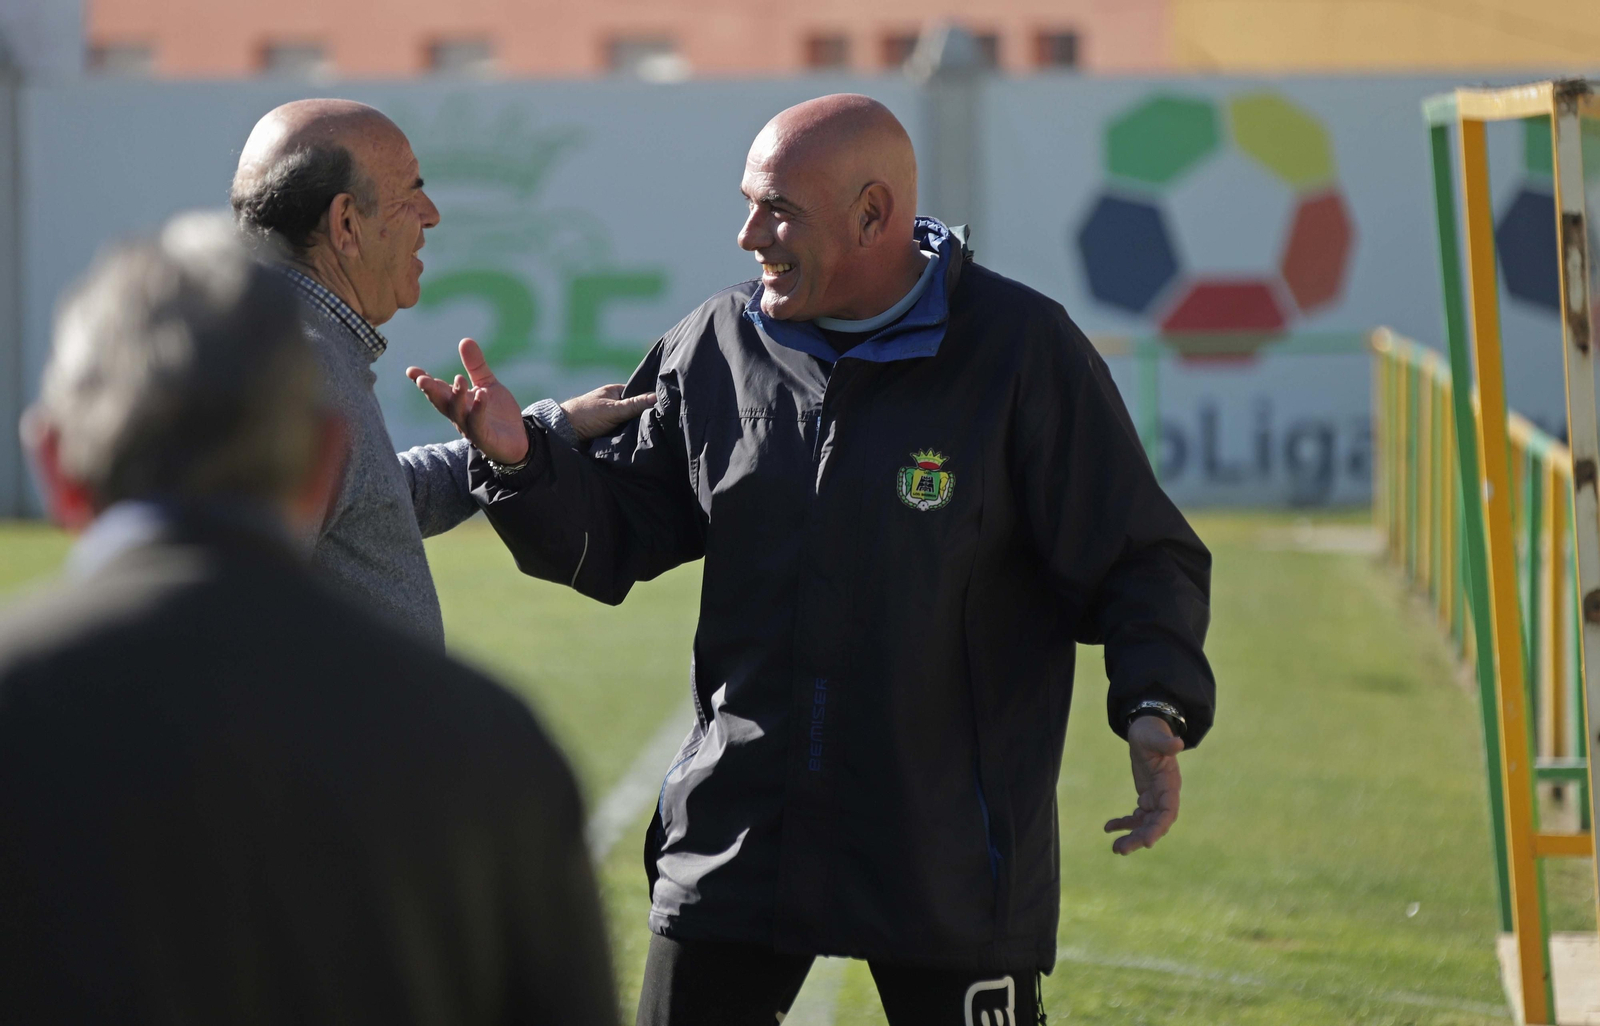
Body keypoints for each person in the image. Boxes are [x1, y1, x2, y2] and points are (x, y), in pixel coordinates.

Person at [413, 94, 1216, 1026]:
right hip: (740, 839)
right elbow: (614, 536)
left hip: (945, 855)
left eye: (779, 209)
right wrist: (522, 465)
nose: (749, 232)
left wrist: (1157, 704)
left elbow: (1139, 555)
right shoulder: (714, 344)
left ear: (874, 214)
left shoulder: (1019, 352)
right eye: (752, 202)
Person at [0, 216, 617, 1025]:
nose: (427, 218)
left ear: (52, 468)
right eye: (408, 195)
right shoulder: (482, 738)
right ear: (328, 456)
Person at [230, 99, 652, 646]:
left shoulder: (292, 351)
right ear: (347, 224)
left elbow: (379, 502)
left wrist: (542, 430)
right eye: (410, 192)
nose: (431, 213)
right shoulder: (298, 373)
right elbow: (234, 605)